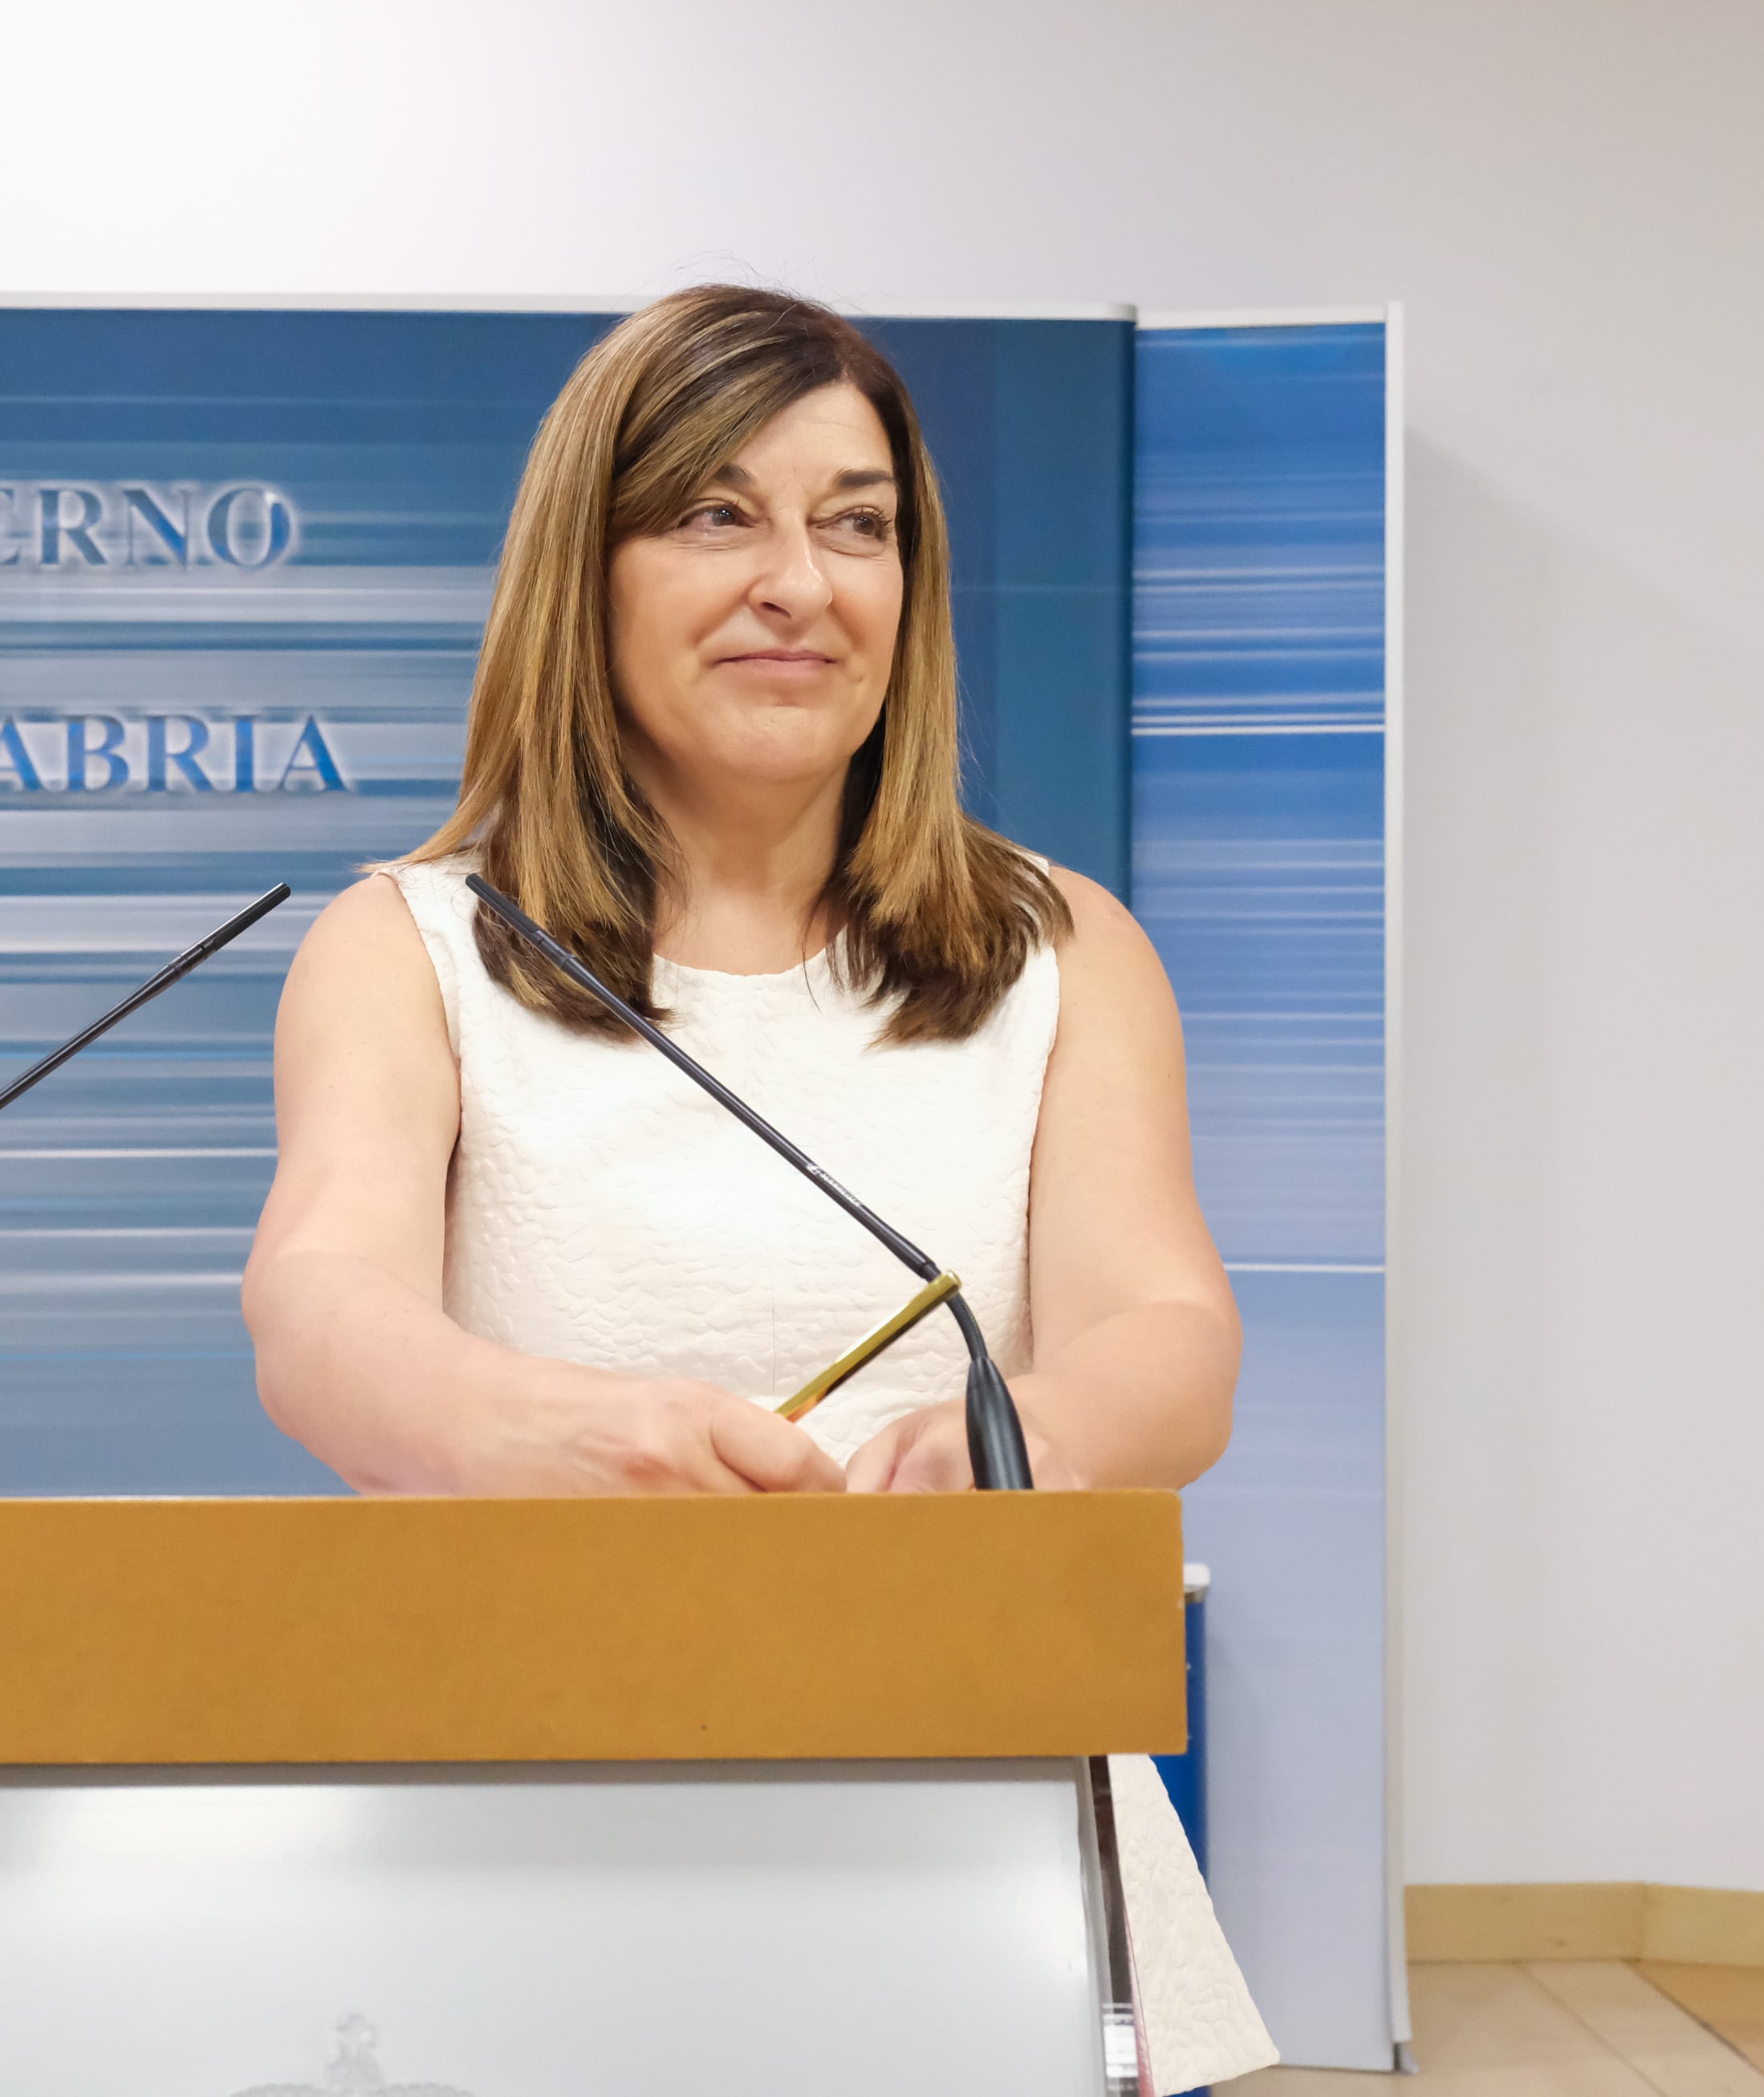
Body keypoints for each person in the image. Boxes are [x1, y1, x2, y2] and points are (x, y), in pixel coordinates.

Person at [240, 285, 1278, 2092]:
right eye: (717, 513)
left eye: (855, 522)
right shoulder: (399, 944)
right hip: (516, 1839)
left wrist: (1010, 1438)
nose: (798, 578)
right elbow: (318, 1311)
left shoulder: (1063, 949)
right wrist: (533, 1430)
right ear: (592, 569)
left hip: (980, 1838)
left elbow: (1170, 1336)